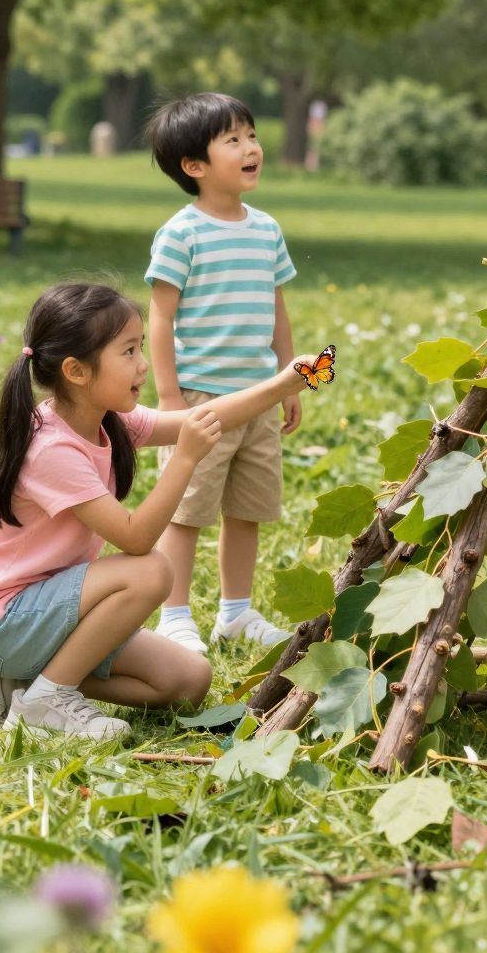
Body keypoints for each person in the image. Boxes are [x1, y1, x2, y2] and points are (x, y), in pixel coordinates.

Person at [0, 282, 326, 737]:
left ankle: (35, 684)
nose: (144, 364)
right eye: (128, 351)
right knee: (150, 570)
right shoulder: (51, 449)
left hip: (50, 615)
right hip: (2, 623)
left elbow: (201, 418)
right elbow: (134, 539)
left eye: (141, 347)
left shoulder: (105, 419)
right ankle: (46, 701)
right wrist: (185, 459)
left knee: (187, 681)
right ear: (76, 371)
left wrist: (284, 383)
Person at [144, 93, 301, 655]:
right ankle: (175, 614)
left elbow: (276, 306)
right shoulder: (181, 233)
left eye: (252, 135)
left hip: (258, 395)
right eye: (232, 140)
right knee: (185, 511)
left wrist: (289, 378)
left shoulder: (266, 230)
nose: (251, 147)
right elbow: (159, 319)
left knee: (247, 509)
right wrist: (168, 398)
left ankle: (236, 613)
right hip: (200, 398)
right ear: (195, 166)